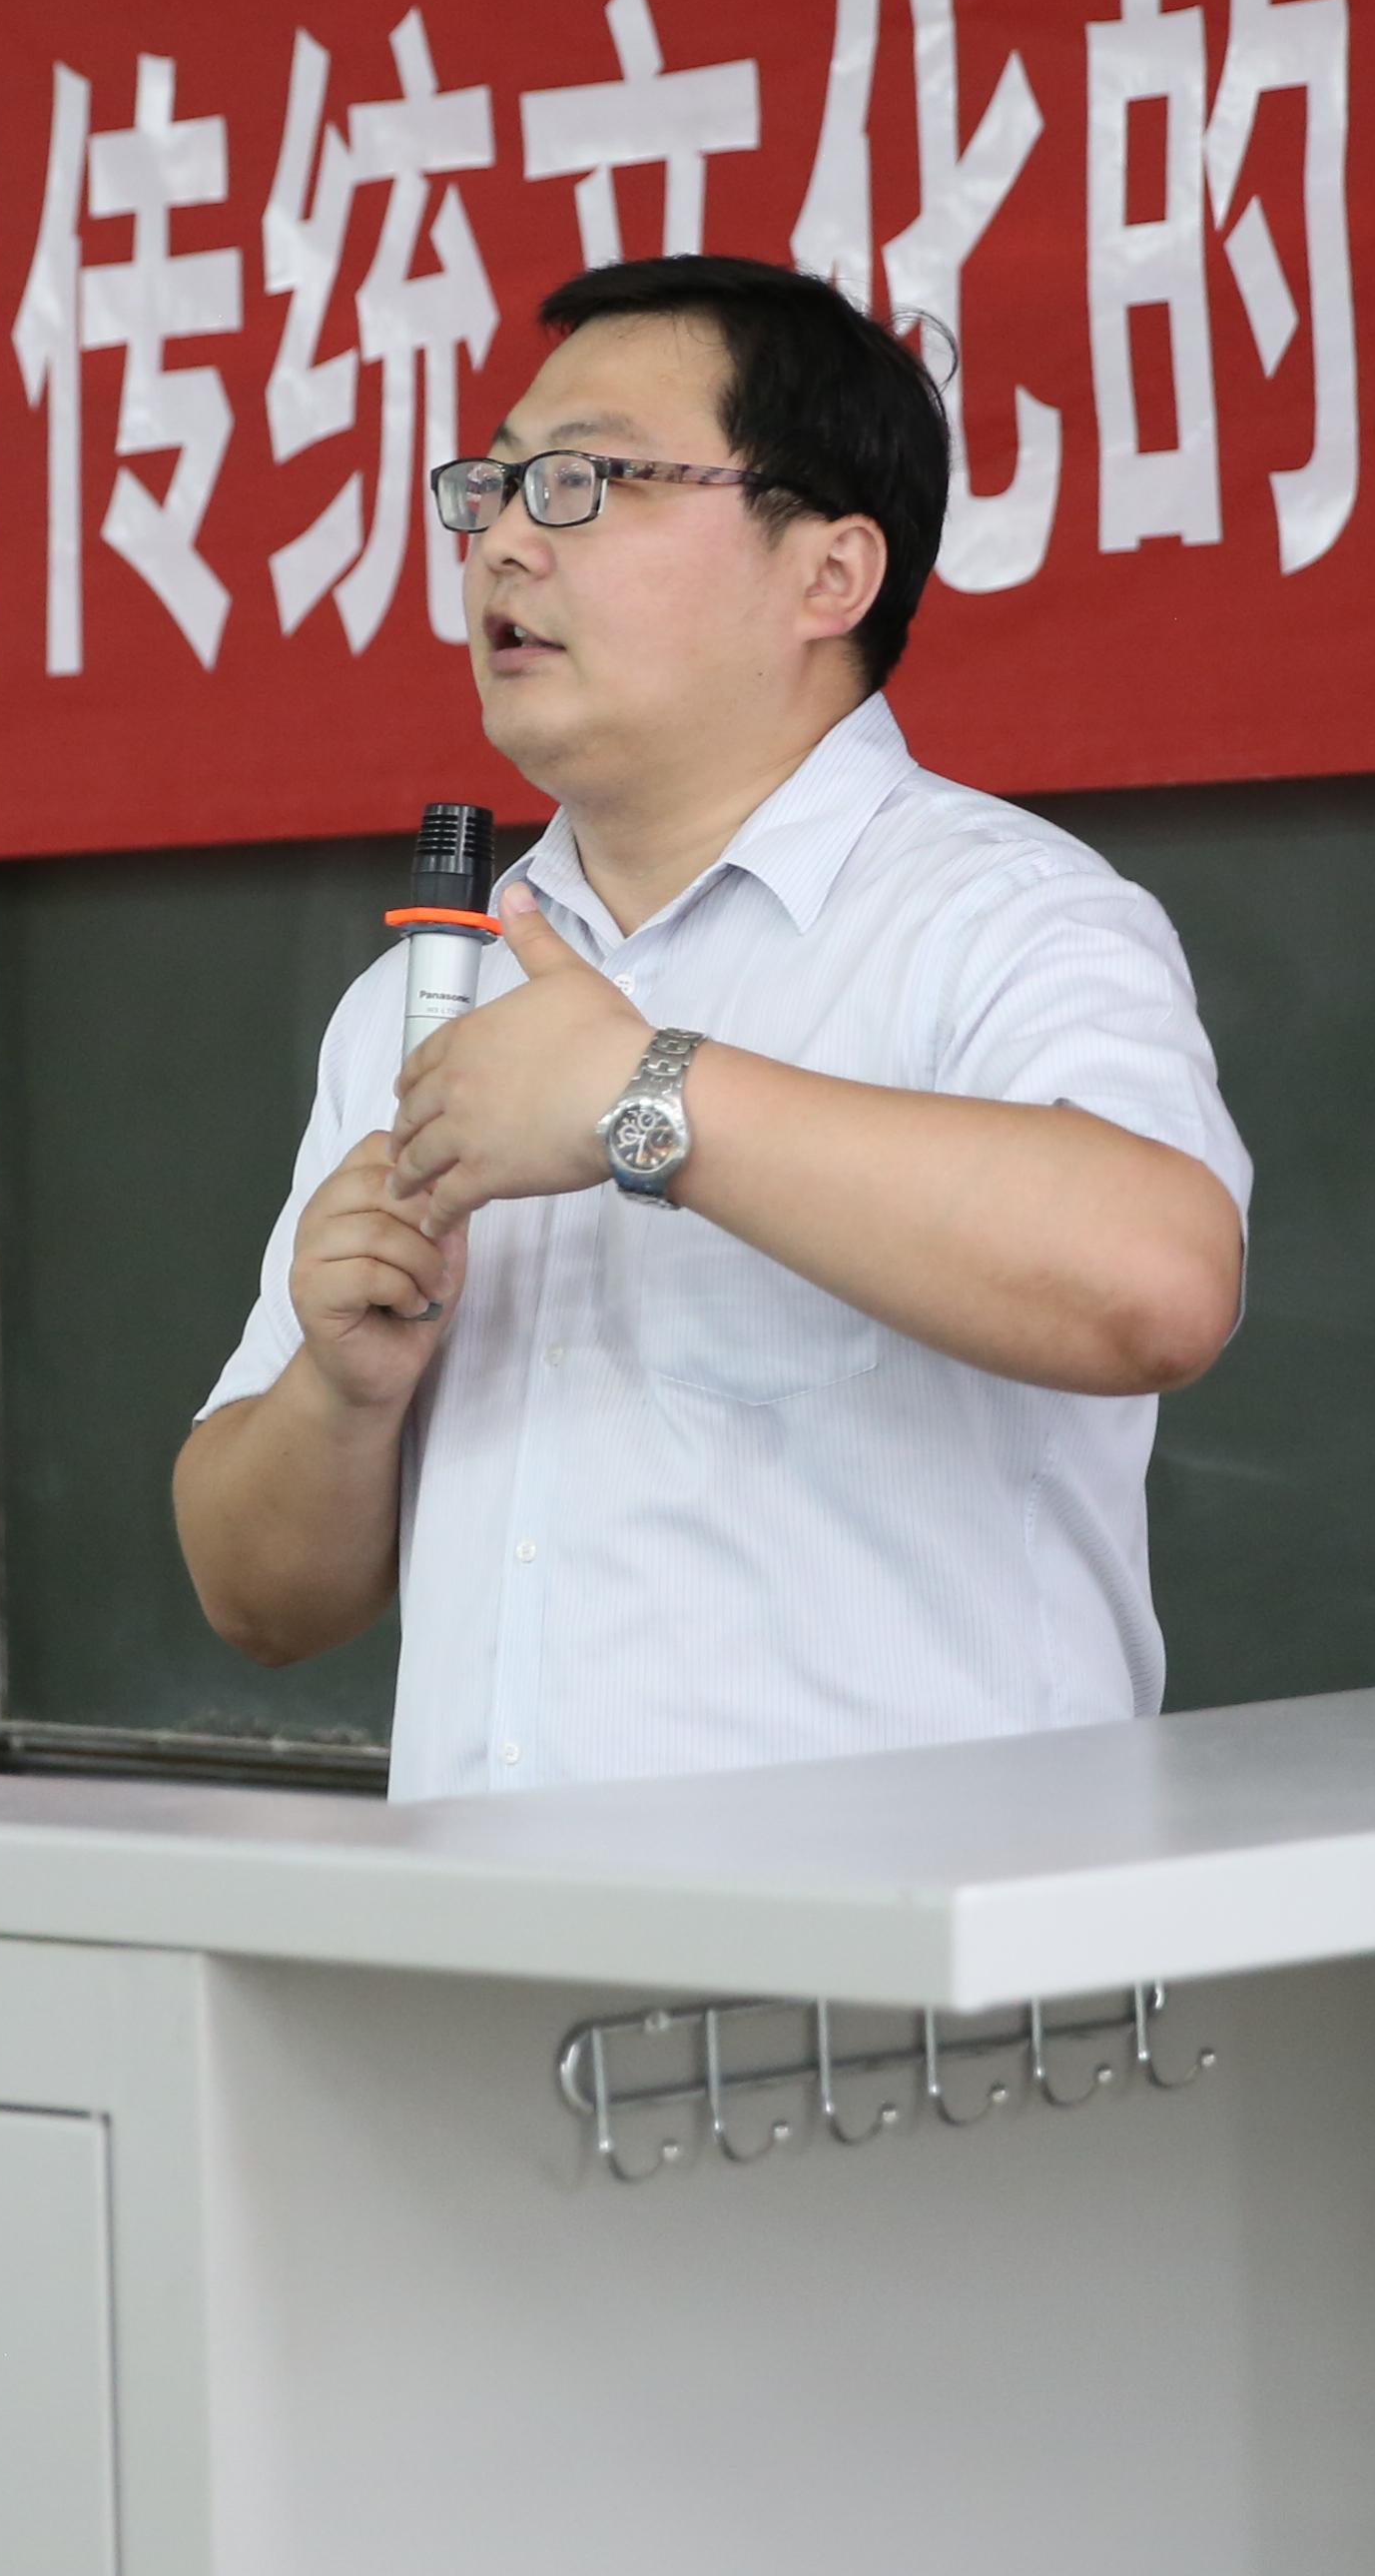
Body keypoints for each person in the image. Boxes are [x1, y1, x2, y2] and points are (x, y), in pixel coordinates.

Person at [174, 252, 1252, 1799]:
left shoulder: (1000, 915)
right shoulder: (433, 999)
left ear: (830, 574)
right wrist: (344, 1395)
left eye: (586, 482)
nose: (504, 542)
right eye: (492, 486)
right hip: (490, 1928)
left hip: (905, 1931)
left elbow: (1160, 1284)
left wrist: (648, 1095)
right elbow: (256, 1599)